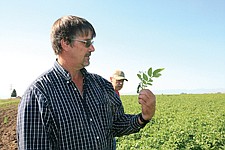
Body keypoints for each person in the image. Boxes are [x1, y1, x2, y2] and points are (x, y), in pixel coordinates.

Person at [17, 15, 156, 150]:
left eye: (92, 43)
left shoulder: (102, 85)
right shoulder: (38, 95)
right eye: (86, 43)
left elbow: (116, 124)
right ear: (65, 43)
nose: (92, 48)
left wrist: (143, 117)